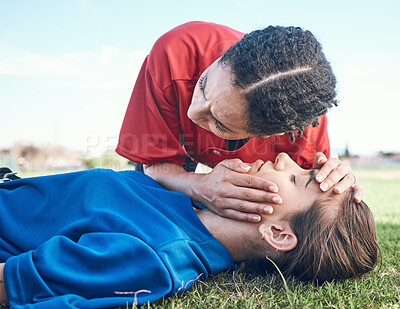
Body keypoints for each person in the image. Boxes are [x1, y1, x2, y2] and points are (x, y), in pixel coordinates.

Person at [0, 153, 378, 308]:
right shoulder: (193, 199)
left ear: (278, 234)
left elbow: (14, 284)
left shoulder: (155, 258)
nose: (283, 157)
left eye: (297, 177)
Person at [116, 21, 364, 223]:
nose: (192, 113)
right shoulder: (177, 52)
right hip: (165, 170)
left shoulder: (302, 129)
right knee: (149, 205)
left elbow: (311, 207)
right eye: (202, 85)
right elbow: (154, 165)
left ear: (271, 134)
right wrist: (200, 185)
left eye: (220, 124)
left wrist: (340, 186)